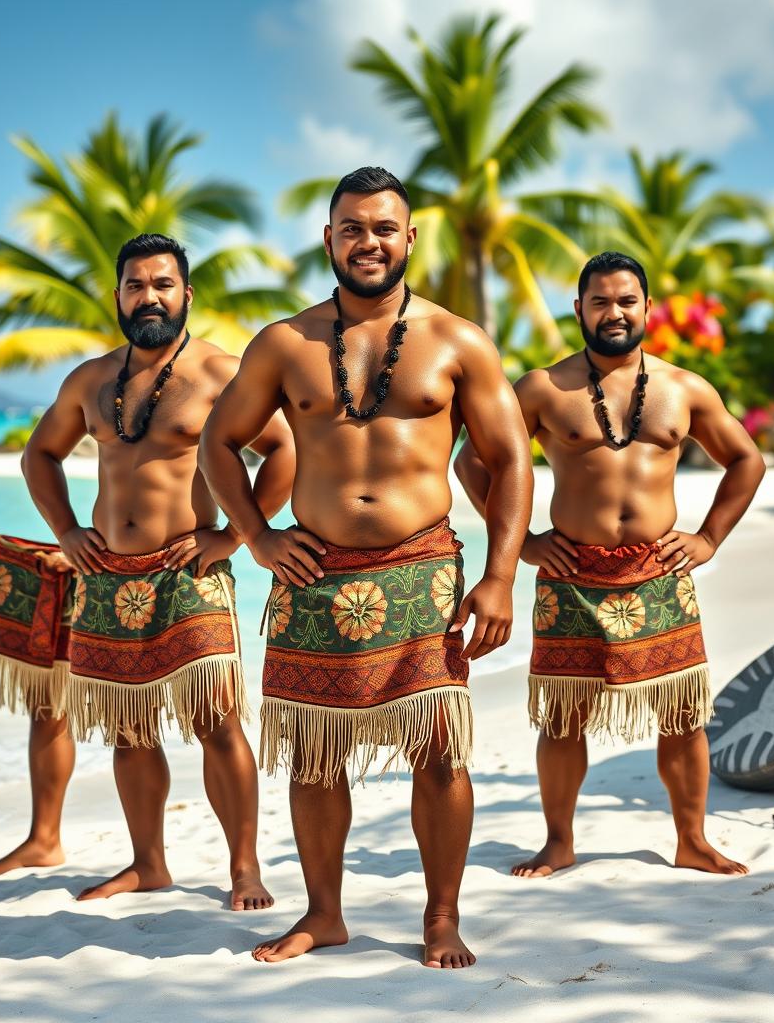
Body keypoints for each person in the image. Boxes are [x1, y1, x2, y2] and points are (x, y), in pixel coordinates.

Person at [199, 167, 532, 968]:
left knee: (440, 749)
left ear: (410, 238)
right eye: (353, 227)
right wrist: (257, 536)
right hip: (313, 573)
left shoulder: (457, 341)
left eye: (384, 227)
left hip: (423, 571)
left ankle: (442, 917)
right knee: (316, 751)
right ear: (329, 238)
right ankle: (324, 914)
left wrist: (499, 576)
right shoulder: (285, 343)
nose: (369, 241)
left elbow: (512, 459)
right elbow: (219, 442)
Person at [0, 232, 294, 908]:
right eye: (136, 285)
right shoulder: (90, 380)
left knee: (216, 720)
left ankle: (244, 869)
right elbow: (40, 457)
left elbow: (283, 452)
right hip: (106, 577)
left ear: (187, 294)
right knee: (128, 725)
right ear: (118, 296)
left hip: (189, 571)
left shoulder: (217, 373)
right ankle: (149, 864)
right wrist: (66, 530)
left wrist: (237, 537)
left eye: (163, 284)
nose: (149, 296)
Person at [455, 250, 765, 878]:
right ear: (579, 309)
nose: (614, 312)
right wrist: (527, 545)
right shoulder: (544, 387)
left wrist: (707, 539)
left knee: (681, 714)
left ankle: (692, 840)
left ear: (646, 308)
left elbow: (747, 460)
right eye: (600, 301)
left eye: (626, 300)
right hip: (570, 575)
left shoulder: (684, 389)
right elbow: (473, 462)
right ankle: (560, 842)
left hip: (659, 573)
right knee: (564, 716)